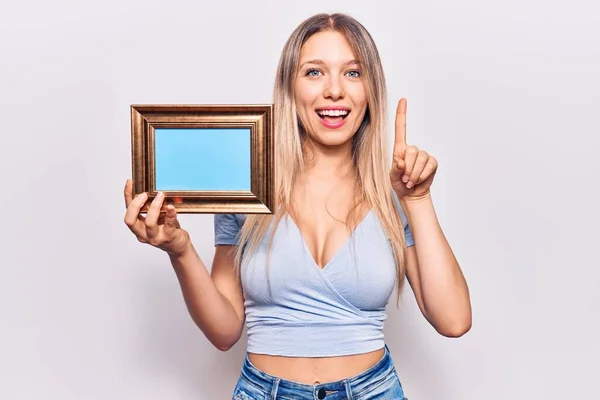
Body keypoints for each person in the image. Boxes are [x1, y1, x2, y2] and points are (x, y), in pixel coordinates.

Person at [124, 12, 471, 400]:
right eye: (314, 72)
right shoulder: (249, 188)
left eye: (353, 73)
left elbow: (454, 320)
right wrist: (180, 250)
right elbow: (224, 331)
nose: (335, 90)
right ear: (290, 86)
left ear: (371, 89)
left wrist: (418, 199)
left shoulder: (395, 194)